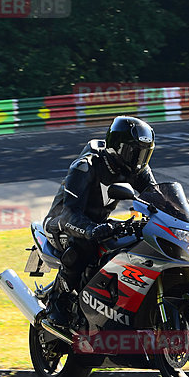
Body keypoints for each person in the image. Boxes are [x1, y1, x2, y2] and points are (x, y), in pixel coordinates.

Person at [40, 115, 157, 337]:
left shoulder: (137, 169)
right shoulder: (86, 167)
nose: (139, 159)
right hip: (60, 223)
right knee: (83, 247)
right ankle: (57, 305)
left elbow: (156, 197)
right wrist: (92, 230)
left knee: (134, 242)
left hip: (99, 223)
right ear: (118, 148)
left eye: (144, 152)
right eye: (135, 151)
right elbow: (69, 214)